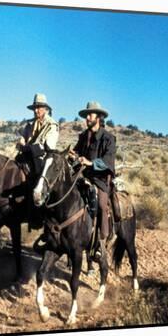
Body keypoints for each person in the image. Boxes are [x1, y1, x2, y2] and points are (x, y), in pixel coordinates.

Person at [69, 101, 116, 260]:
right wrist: (73, 155)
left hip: (100, 179)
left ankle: (100, 243)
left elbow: (108, 162)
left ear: (99, 117)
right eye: (86, 115)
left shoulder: (108, 138)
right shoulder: (83, 136)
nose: (87, 118)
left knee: (102, 205)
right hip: (82, 176)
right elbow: (76, 153)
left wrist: (90, 163)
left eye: (90, 115)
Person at [16, 93, 59, 176]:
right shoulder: (30, 124)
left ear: (45, 109)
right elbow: (22, 137)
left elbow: (47, 147)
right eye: (35, 108)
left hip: (42, 161)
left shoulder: (52, 125)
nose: (35, 110)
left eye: (38, 107)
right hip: (27, 156)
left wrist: (26, 147)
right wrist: (21, 140)